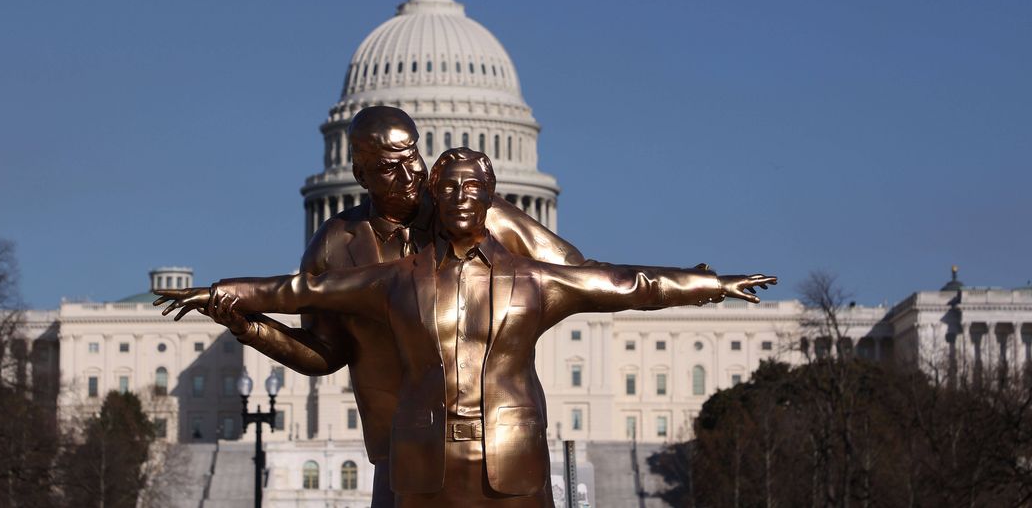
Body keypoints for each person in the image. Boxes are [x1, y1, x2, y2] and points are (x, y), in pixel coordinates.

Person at [157, 149, 776, 506]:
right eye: (446, 187)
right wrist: (225, 295)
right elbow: (302, 289)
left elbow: (627, 284)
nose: (457, 197)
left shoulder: (537, 279)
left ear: (492, 200)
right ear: (433, 194)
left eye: (470, 188)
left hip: (511, 451)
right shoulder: (396, 280)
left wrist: (710, 285)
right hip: (422, 451)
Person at [159, 106, 585, 507]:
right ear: (360, 174)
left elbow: (573, 275)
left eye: (414, 156)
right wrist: (251, 329)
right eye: (388, 167)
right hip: (402, 445)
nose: (410, 174)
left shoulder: (477, 216)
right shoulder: (335, 245)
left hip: (495, 440)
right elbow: (325, 352)